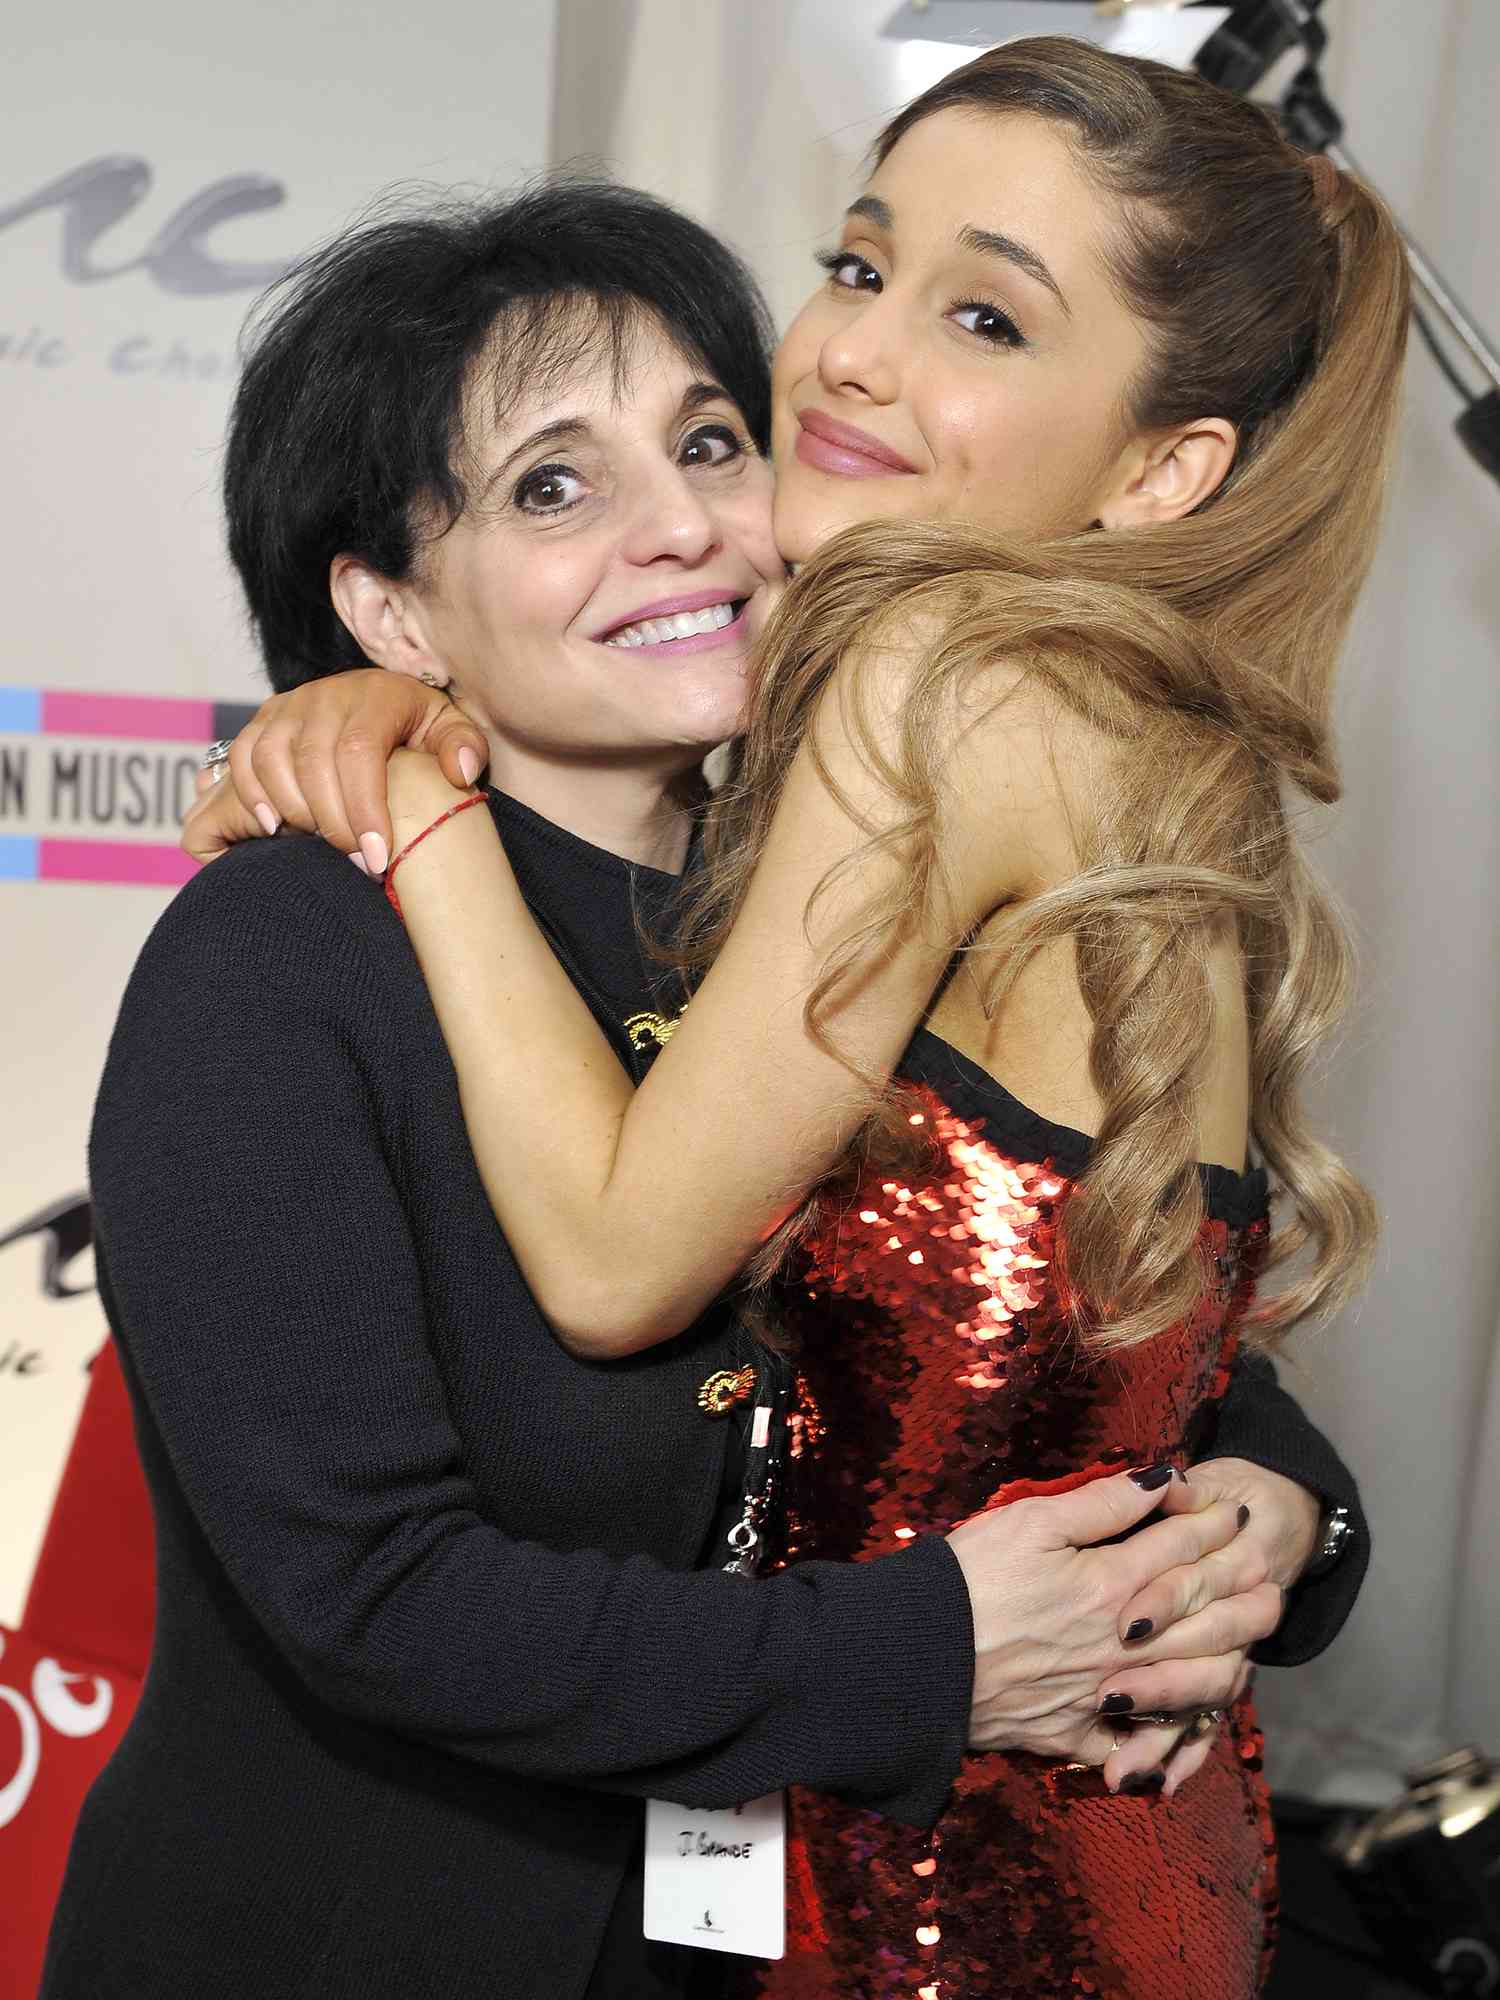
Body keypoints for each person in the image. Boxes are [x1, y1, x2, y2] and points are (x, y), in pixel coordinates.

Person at [192, 41, 1403, 1998]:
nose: (847, 353)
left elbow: (618, 1261)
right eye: (857, 263)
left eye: (984, 315)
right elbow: (1080, 1331)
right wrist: (1279, 1518)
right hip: (1113, 1875)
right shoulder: (1162, 744)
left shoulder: (936, 679)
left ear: (1165, 468)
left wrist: (421, 811)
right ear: (392, 595)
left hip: (937, 1896)